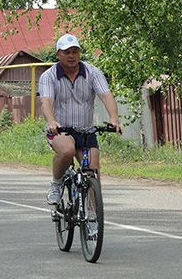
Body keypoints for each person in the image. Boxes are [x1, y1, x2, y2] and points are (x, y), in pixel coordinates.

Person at [39, 33, 122, 209]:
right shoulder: (49, 76)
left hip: (86, 131)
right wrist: (52, 121)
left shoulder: (92, 72)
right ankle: (56, 183)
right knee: (67, 150)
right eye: (67, 52)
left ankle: (92, 219)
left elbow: (106, 95)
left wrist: (114, 119)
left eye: (75, 51)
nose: (71, 56)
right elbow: (46, 102)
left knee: (92, 174)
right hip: (61, 131)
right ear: (58, 54)